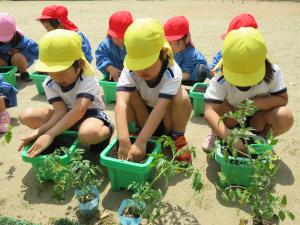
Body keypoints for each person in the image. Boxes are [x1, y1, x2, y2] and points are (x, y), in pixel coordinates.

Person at [18, 29, 113, 158]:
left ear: (79, 64)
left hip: (91, 116)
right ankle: (60, 136)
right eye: (51, 72)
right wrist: (40, 131)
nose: (56, 78)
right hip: (65, 115)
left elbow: (79, 110)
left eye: (61, 72)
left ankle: (107, 131)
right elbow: (60, 111)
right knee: (26, 115)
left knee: (89, 133)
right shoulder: (49, 82)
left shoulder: (87, 79)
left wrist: (49, 134)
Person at [203, 27, 293, 153]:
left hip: (258, 120)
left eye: (249, 78)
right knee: (218, 103)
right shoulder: (221, 77)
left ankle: (260, 139)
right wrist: (229, 136)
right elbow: (209, 110)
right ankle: (221, 133)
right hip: (231, 118)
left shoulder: (273, 72)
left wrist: (255, 102)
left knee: (285, 116)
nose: (244, 82)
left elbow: (283, 99)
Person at [115, 18, 192, 163]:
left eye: (148, 64)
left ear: (162, 54)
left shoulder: (172, 72)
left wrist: (141, 142)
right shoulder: (130, 70)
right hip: (142, 116)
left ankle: (177, 137)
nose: (143, 69)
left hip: (165, 118)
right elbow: (121, 104)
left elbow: (162, 107)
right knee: (127, 93)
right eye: (139, 64)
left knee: (182, 96)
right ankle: (133, 133)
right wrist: (123, 139)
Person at [203, 13, 259, 151]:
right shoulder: (224, 53)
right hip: (228, 99)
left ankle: (255, 138)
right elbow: (215, 64)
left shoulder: (259, 59)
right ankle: (215, 132)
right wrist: (214, 70)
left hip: (248, 105)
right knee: (217, 108)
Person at [164, 16, 209, 84]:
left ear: (187, 38)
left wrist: (169, 79)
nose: (172, 47)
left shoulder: (189, 53)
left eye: (175, 43)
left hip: (192, 76)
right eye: (169, 42)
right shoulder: (172, 48)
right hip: (179, 71)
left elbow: (186, 75)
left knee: (202, 69)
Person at [95, 11, 133, 81]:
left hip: (132, 77)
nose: (121, 41)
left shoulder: (134, 43)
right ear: (111, 34)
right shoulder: (105, 45)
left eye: (124, 38)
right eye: (117, 37)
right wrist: (109, 67)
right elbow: (100, 58)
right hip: (113, 78)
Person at [0, 13, 38, 82]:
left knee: (18, 56)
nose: (4, 42)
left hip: (20, 65)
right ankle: (2, 75)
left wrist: (20, 51)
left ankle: (24, 73)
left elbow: (36, 55)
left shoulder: (22, 41)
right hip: (4, 66)